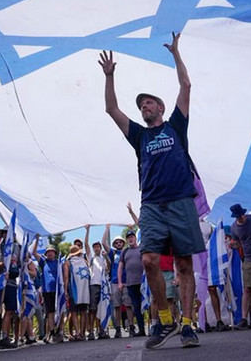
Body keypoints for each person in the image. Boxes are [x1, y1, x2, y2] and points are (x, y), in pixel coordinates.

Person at [98, 32, 205, 349]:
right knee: (149, 261)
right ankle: (165, 319)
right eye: (141, 105)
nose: (144, 107)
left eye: (148, 103)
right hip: (153, 205)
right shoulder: (138, 136)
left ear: (159, 107)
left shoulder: (176, 126)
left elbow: (186, 86)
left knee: (184, 265)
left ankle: (187, 325)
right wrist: (110, 76)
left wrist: (176, 54)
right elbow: (111, 109)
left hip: (182, 202)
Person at [101, 226, 132, 339]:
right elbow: (103, 242)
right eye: (116, 242)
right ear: (114, 245)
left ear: (123, 243)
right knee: (117, 306)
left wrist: (131, 229)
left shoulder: (128, 251)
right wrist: (107, 228)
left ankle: (131, 327)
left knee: (128, 306)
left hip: (127, 282)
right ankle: (118, 328)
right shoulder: (113, 254)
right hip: (115, 282)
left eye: (120, 242)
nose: (118, 243)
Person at [118, 230, 146, 337]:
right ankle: (141, 329)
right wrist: (120, 282)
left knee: (147, 305)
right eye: (128, 237)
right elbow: (120, 268)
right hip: (131, 284)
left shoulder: (141, 249)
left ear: (135, 238)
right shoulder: (124, 252)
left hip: (143, 283)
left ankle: (154, 326)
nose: (130, 239)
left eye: (132, 237)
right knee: (136, 306)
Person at [84, 225, 109, 340]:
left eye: (98, 247)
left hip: (103, 286)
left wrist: (107, 257)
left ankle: (101, 331)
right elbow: (86, 245)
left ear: (100, 248)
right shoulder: (91, 258)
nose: (96, 248)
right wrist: (88, 230)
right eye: (95, 247)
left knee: (102, 308)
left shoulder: (103, 259)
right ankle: (91, 331)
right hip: (93, 285)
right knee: (92, 309)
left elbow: (109, 267)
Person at [32, 238, 59, 343]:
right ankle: (51, 333)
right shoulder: (43, 262)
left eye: (52, 252)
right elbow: (34, 253)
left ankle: (59, 331)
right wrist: (37, 239)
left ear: (55, 253)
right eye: (48, 252)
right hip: (47, 291)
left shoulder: (59, 262)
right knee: (50, 313)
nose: (50, 254)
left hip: (57, 291)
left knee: (60, 312)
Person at [64, 245, 90, 341]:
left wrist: (65, 290)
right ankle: (82, 334)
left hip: (74, 290)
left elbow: (66, 277)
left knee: (74, 312)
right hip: (85, 290)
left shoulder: (68, 262)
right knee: (83, 311)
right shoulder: (85, 261)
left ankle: (77, 332)